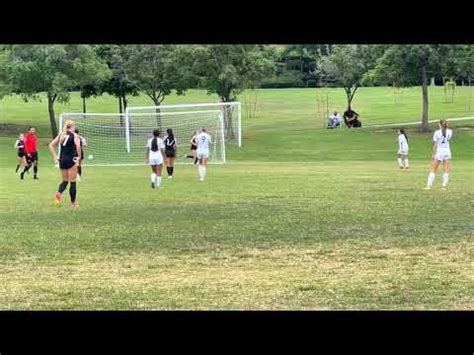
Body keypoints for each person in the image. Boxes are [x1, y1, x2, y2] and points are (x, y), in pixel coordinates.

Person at [48, 119, 82, 208]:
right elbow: (78, 146)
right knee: (73, 182)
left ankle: (58, 195)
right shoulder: (75, 135)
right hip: (71, 160)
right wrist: (79, 156)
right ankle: (73, 203)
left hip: (62, 160)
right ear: (73, 127)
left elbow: (51, 145)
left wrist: (55, 157)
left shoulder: (61, 134)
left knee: (65, 181)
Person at [425, 119, 453, 190]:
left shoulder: (437, 132)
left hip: (439, 151)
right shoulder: (450, 131)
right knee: (446, 170)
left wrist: (433, 154)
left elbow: (435, 144)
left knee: (433, 169)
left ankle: (429, 185)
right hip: (447, 151)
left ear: (440, 124)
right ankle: (444, 186)